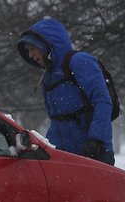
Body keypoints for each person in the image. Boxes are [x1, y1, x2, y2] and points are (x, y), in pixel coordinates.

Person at [17, 17, 115, 165]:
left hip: (94, 152)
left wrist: (96, 139)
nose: (30, 55)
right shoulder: (47, 77)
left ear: (45, 45)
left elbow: (102, 102)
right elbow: (57, 121)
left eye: (32, 49)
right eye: (28, 51)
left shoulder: (79, 62)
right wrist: (48, 149)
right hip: (63, 157)